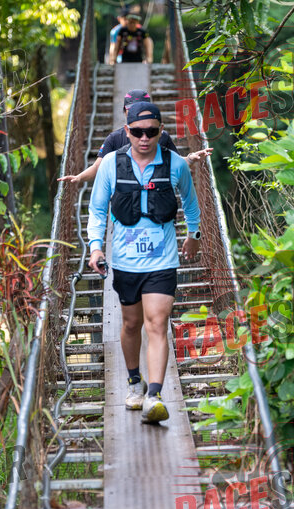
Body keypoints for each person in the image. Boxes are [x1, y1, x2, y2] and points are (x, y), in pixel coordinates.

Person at [86, 102, 202, 423]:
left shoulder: (175, 164)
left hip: (162, 261)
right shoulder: (111, 165)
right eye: (137, 132)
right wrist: (96, 248)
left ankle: (154, 396)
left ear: (161, 131)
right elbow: (97, 210)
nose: (144, 138)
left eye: (151, 132)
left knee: (157, 323)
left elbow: (191, 203)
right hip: (126, 262)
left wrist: (194, 234)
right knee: (131, 324)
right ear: (127, 132)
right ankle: (134, 382)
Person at [58, 90, 213, 185]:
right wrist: (79, 178)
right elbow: (98, 167)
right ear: (124, 111)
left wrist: (191, 158)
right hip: (125, 200)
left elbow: (177, 163)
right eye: (131, 110)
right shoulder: (115, 138)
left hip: (156, 196)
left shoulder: (161, 136)